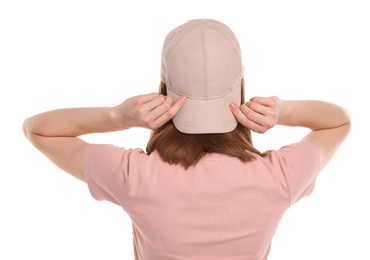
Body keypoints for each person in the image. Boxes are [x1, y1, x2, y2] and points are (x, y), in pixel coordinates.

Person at [23, 19, 351, 260]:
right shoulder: (278, 176)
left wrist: (118, 116)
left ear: (164, 89)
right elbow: (338, 123)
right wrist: (282, 112)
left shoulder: (133, 175)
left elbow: (38, 129)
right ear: (239, 86)